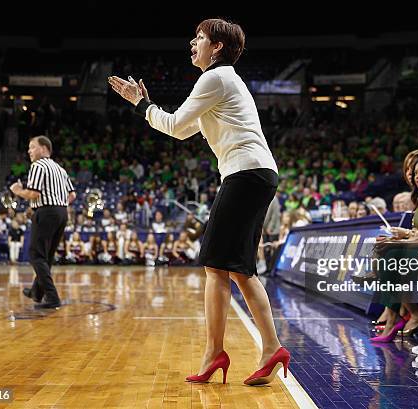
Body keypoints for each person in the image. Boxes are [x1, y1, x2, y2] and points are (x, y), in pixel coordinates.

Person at [109, 18, 288, 385]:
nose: (193, 42)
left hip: (245, 174)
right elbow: (183, 128)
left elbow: (173, 126)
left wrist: (141, 102)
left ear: (217, 46)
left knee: (214, 265)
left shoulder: (215, 78)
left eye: (200, 37)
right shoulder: (222, 82)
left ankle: (215, 353)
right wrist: (144, 105)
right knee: (239, 268)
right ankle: (271, 349)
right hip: (257, 174)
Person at [11, 135, 76, 309]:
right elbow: (72, 195)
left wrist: (18, 191)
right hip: (62, 212)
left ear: (44, 148)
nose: (29, 151)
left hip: (47, 212)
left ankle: (52, 297)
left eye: (32, 147)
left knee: (36, 255)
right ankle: (36, 292)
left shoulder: (38, 165)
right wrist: (57, 204)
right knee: (47, 256)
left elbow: (33, 194)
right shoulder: (60, 169)